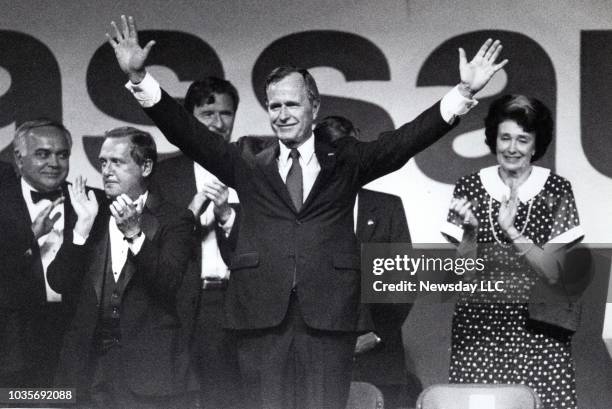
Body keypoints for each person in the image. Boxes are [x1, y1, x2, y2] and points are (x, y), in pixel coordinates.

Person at [107, 15, 507, 409]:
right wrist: (141, 80)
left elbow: (405, 141)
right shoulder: (249, 160)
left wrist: (462, 92)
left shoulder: (346, 158)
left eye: (292, 104)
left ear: (314, 106)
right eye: (274, 105)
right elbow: (186, 132)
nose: (281, 114)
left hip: (328, 318)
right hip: (260, 318)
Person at [441, 94, 584, 409]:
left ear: (536, 144)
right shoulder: (469, 187)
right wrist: (471, 232)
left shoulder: (557, 189)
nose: (512, 147)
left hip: (539, 326)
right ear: (494, 139)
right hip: (479, 326)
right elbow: (463, 273)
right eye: (505, 137)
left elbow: (553, 271)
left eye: (523, 139)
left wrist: (513, 231)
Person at [47, 127, 196, 408]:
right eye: (103, 162)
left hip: (147, 371)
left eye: (117, 162)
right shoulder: (90, 212)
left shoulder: (175, 219)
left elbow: (168, 283)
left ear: (146, 166)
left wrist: (135, 235)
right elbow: (58, 281)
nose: (106, 171)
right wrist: (81, 229)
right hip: (86, 368)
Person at [150, 77, 242, 409]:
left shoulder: (252, 169)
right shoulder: (162, 175)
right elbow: (153, 246)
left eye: (227, 113)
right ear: (188, 119)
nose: (218, 123)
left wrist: (227, 216)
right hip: (177, 304)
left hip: (234, 303)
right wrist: (189, 215)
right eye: (208, 113)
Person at [315, 116, 415, 408]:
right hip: (319, 360)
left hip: (380, 361)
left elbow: (404, 283)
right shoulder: (302, 213)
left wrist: (376, 335)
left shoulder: (387, 207)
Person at [0, 119, 86, 388]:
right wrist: (30, 236)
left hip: (77, 342)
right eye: (42, 154)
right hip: (13, 344)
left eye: (62, 154)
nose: (54, 163)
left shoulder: (91, 203)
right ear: (18, 157)